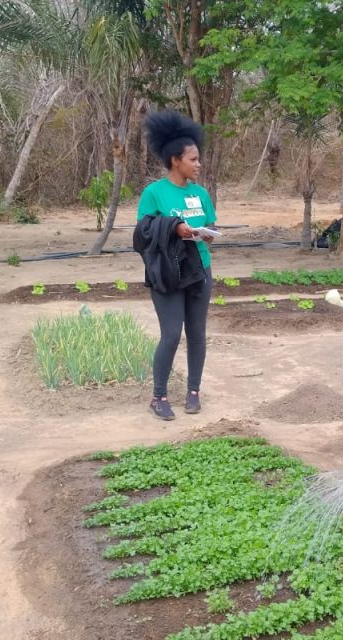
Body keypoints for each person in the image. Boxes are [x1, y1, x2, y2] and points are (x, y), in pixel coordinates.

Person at [134, 111, 217, 421]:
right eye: (193, 159)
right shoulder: (154, 193)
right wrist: (174, 228)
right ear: (175, 161)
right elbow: (143, 232)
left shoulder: (201, 193)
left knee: (197, 333)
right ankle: (159, 396)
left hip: (200, 270)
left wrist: (206, 234)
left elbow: (209, 224)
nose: (198, 164)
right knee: (171, 335)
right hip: (167, 274)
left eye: (198, 158)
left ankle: (193, 391)